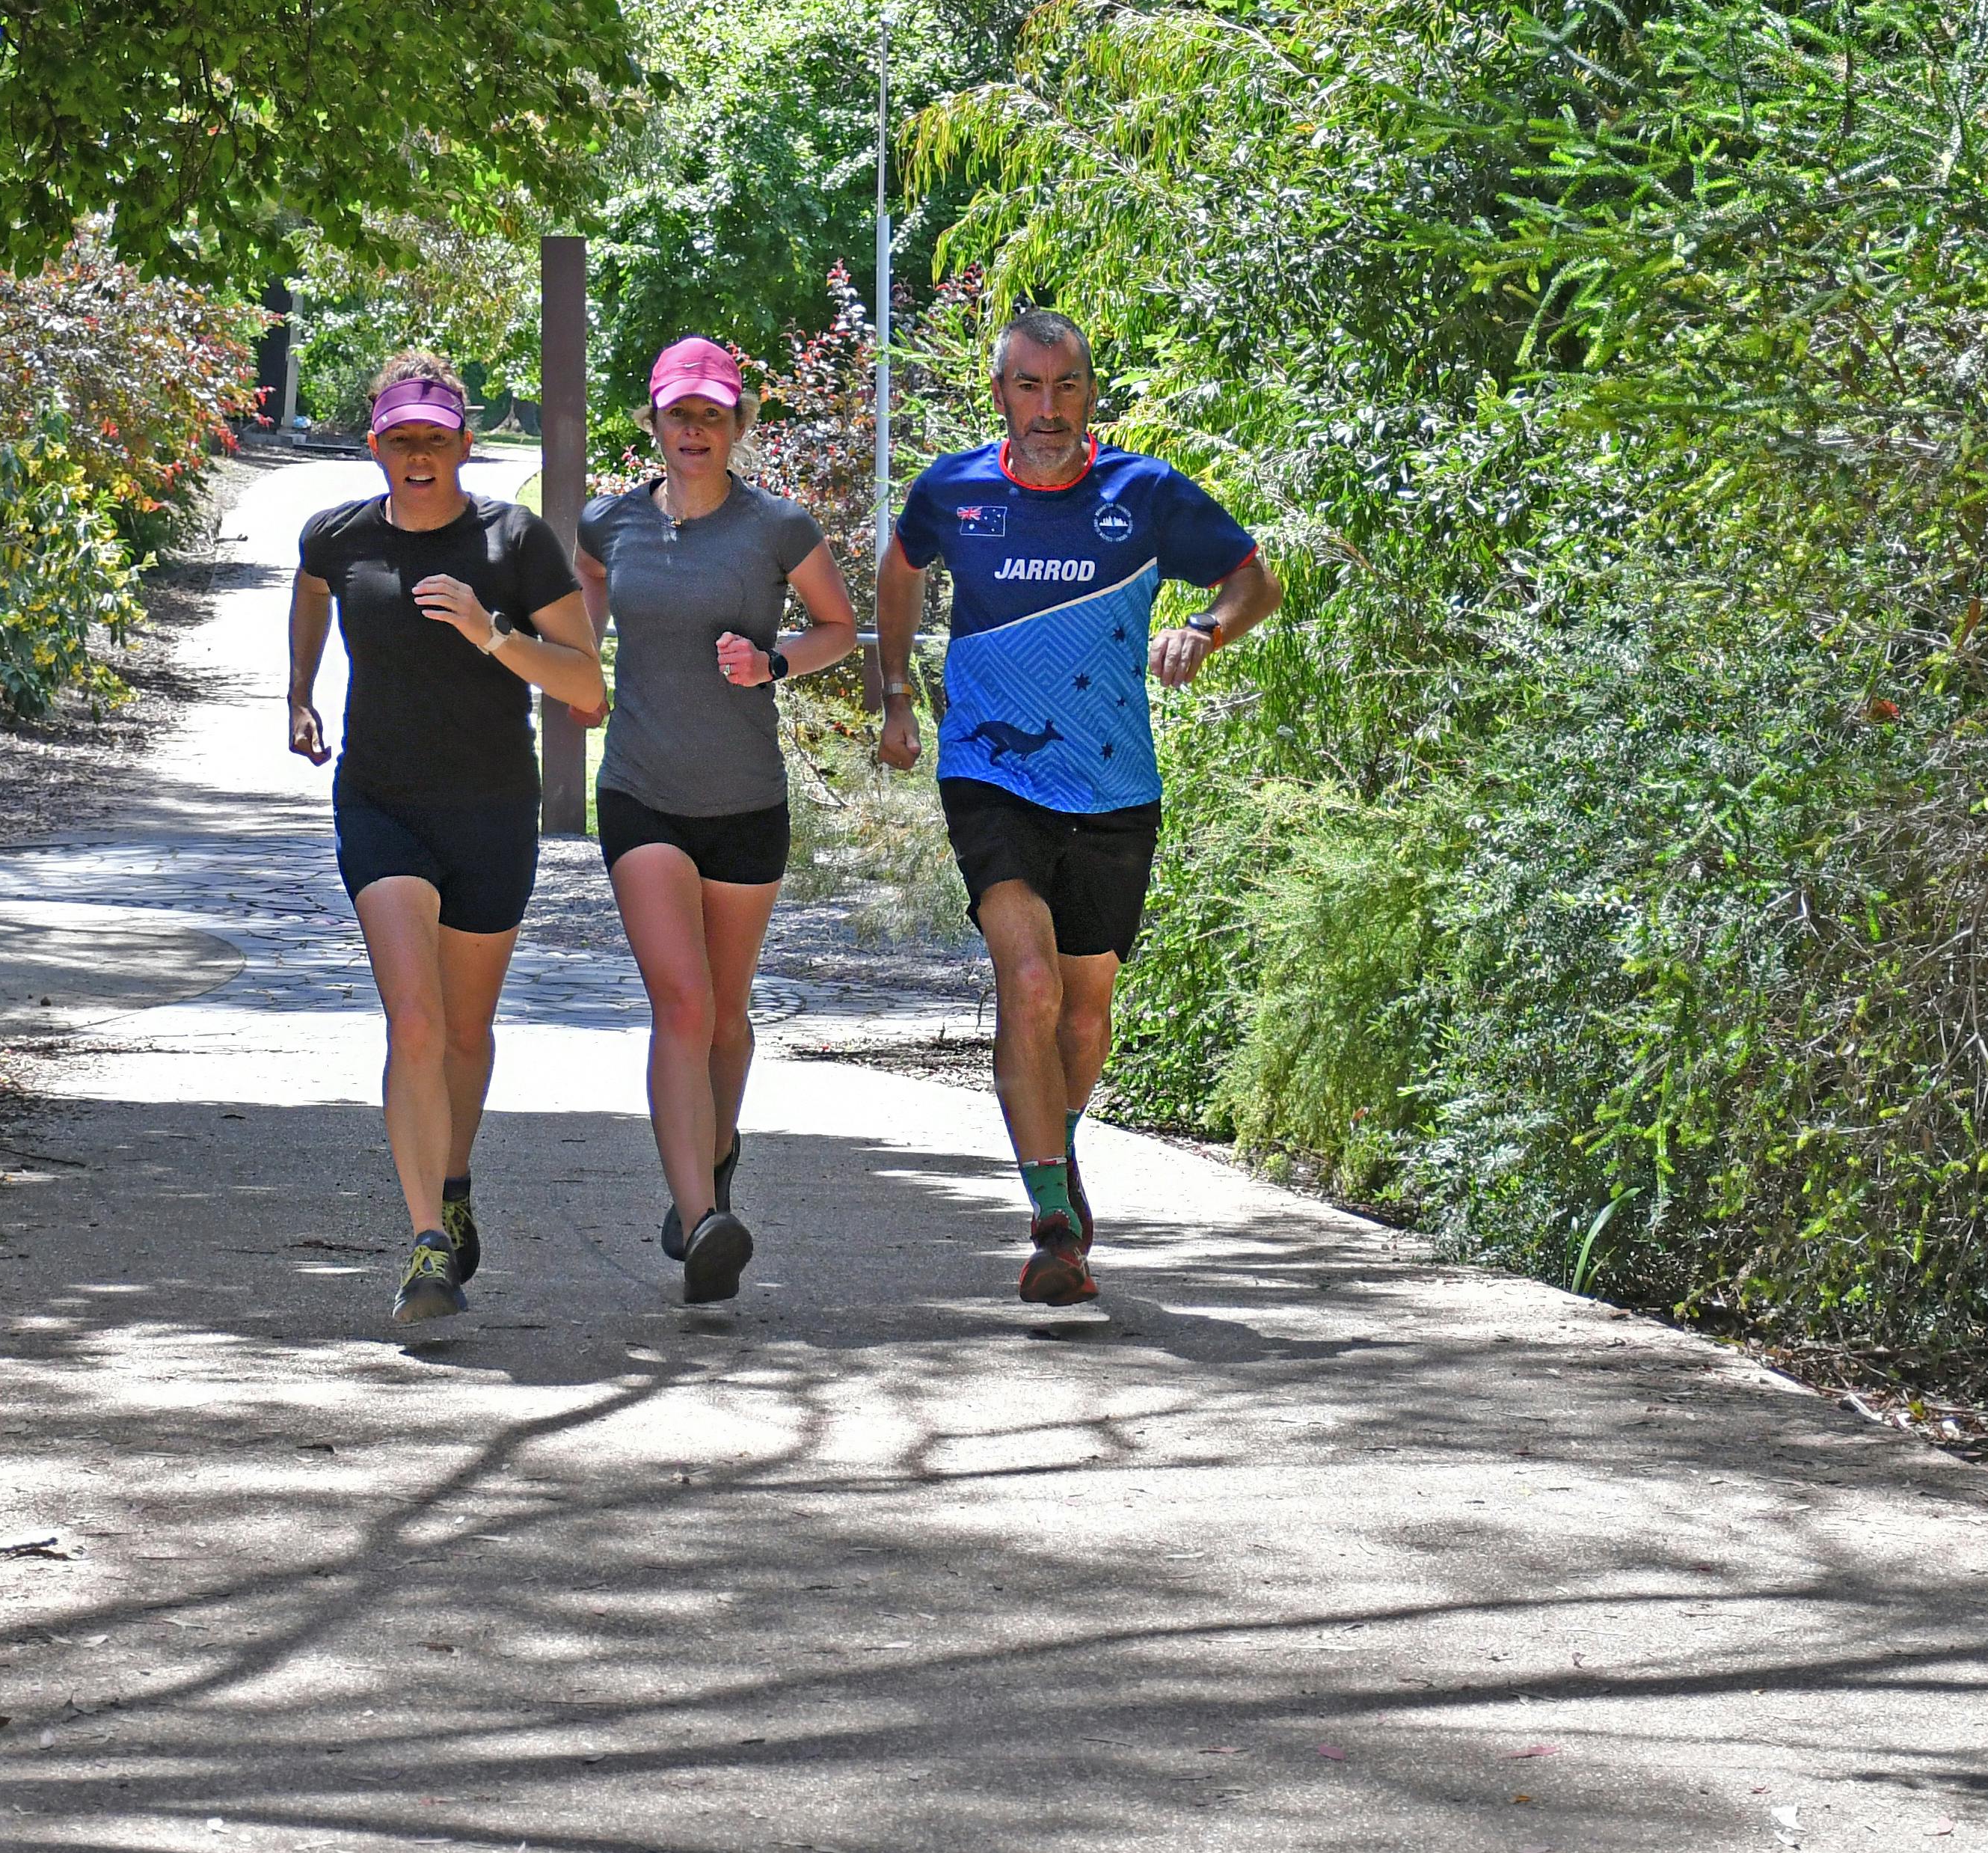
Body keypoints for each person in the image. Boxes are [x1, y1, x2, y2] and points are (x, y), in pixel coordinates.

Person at [872, 309, 1280, 1306]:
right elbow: (897, 566)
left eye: (1064, 387)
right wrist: (894, 692)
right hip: (988, 771)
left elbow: (1253, 579)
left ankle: (1055, 1147)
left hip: (1111, 783)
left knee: (1087, 1015)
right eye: (1026, 387)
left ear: (1088, 392)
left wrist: (1203, 629)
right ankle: (1051, 1216)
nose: (1046, 409)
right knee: (1031, 981)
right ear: (999, 392)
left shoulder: (1140, 493)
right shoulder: (953, 492)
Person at [289, 353, 610, 1327]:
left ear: (463, 444)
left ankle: (454, 1178)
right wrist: (297, 692)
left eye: (434, 438)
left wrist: (492, 633)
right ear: (376, 444)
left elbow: (587, 690)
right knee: (416, 1023)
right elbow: (310, 592)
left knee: (465, 1033)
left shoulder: (513, 543)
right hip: (381, 802)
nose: (418, 454)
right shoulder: (338, 537)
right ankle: (427, 1239)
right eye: (400, 438)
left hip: (490, 811)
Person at [576, 337, 860, 1304]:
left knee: (728, 1017)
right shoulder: (606, 523)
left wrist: (774, 659)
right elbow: (576, 623)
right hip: (642, 792)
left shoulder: (776, 526)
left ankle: (717, 1148)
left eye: (711, 414)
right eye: (676, 413)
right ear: (651, 421)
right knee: (683, 1005)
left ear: (737, 425)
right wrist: (570, 681)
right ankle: (700, 1219)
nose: (692, 430)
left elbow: (839, 628)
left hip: (746, 799)